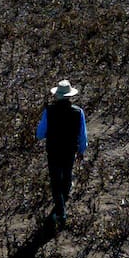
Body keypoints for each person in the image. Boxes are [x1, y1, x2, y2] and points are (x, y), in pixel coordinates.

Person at [35, 79, 88, 228]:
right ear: (70, 96)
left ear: (56, 95)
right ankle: (61, 208)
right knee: (66, 177)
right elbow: (83, 135)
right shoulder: (78, 112)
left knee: (55, 181)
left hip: (53, 150)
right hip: (69, 150)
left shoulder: (49, 111)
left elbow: (40, 134)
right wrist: (81, 150)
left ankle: (60, 212)